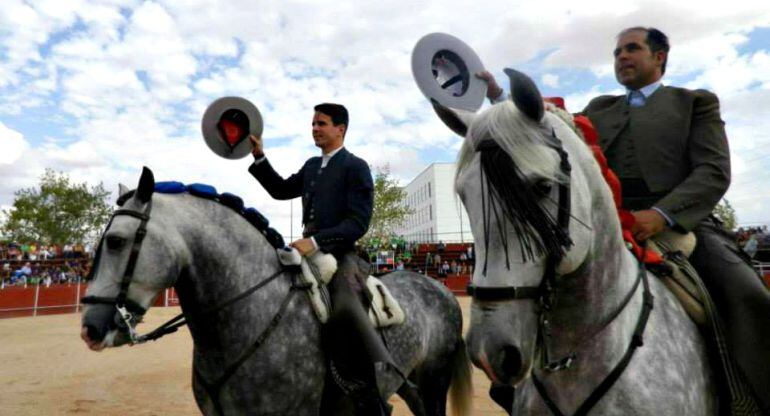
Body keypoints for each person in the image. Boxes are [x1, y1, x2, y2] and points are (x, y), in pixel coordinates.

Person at [479, 26, 770, 413]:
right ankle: (518, 382)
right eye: (617, 52)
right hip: (607, 221)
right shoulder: (600, 108)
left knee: (745, 293)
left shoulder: (695, 102)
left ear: (659, 57)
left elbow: (713, 172)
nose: (621, 57)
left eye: (632, 49)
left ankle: (755, 397)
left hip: (683, 225)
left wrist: (661, 214)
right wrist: (499, 96)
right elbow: (549, 125)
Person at [247, 103, 399, 415]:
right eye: (313, 123)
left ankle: (369, 398)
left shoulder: (356, 166)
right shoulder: (311, 166)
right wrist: (259, 156)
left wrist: (315, 241)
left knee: (345, 306)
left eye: (322, 123)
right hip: (307, 251)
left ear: (340, 129)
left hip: (343, 254)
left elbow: (358, 223)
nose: (315, 128)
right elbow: (279, 189)